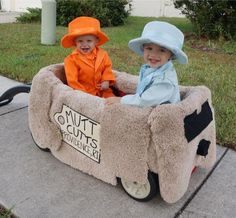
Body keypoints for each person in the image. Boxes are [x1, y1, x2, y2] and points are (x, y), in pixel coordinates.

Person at [106, 21, 188, 107]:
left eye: (162, 50)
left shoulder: (165, 81)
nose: (153, 55)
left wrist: (121, 100)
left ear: (171, 55)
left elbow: (145, 100)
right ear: (143, 49)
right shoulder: (152, 68)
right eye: (149, 48)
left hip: (161, 114)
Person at [61, 16, 116, 98]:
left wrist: (106, 80)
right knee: (90, 108)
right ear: (75, 42)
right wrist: (84, 95)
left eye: (89, 41)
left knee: (114, 103)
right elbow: (72, 81)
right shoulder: (71, 60)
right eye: (80, 41)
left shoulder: (103, 54)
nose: (84, 44)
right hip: (85, 93)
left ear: (96, 41)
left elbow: (107, 68)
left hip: (103, 90)